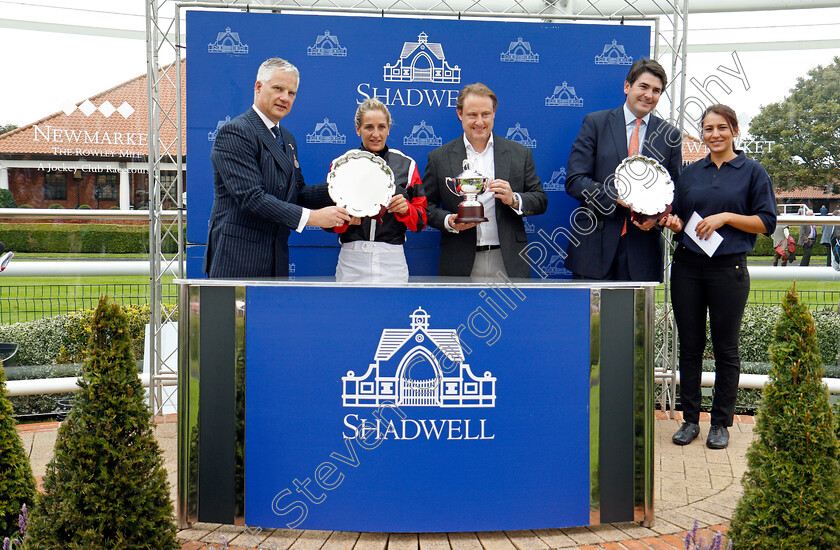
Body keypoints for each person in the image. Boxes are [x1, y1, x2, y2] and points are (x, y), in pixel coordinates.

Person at [660, 105, 776, 450]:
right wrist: (673, 223)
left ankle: (721, 423)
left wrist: (726, 216)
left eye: (721, 128)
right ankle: (691, 421)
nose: (714, 134)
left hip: (729, 268)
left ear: (735, 130)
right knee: (691, 347)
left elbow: (767, 223)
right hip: (688, 267)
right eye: (708, 128)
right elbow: (679, 218)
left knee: (726, 349)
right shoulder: (690, 173)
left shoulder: (753, 172)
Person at [203, 57, 351, 278]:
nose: (285, 98)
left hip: (275, 258)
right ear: (258, 87)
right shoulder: (235, 132)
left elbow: (297, 193)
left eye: (291, 93)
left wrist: (342, 188)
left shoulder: (287, 139)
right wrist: (314, 218)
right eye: (278, 88)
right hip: (236, 260)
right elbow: (252, 198)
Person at [564, 58, 682, 281]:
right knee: (591, 317)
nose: (649, 95)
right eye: (643, 86)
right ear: (627, 86)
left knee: (632, 317)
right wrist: (616, 196)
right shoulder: (595, 123)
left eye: (656, 90)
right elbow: (575, 181)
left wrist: (657, 218)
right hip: (593, 246)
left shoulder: (670, 136)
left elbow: (674, 190)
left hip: (642, 251)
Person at [422, 83, 548, 279]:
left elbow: (540, 200)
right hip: (459, 260)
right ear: (460, 114)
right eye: (472, 114)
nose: (479, 122)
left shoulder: (519, 153)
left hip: (508, 259)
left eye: (485, 114)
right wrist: (449, 221)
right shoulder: (439, 157)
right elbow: (425, 206)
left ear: (494, 114)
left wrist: (514, 199)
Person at [329, 99, 427, 282]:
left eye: (381, 127)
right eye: (368, 127)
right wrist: (346, 220)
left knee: (394, 311)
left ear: (389, 128)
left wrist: (407, 210)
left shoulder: (407, 165)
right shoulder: (341, 165)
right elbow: (327, 223)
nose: (376, 134)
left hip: (392, 260)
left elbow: (420, 221)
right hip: (352, 259)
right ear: (358, 129)